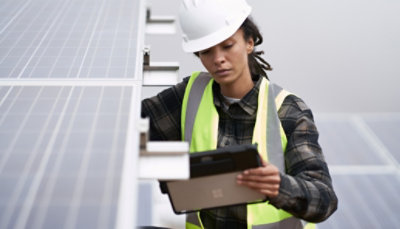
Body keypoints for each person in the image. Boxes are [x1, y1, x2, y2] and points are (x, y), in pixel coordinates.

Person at [141, 0, 338, 228]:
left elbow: (324, 200)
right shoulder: (189, 94)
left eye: (227, 46)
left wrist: (280, 186)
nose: (218, 59)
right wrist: (170, 173)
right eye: (206, 51)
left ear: (249, 42)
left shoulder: (288, 111)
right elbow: (127, 125)